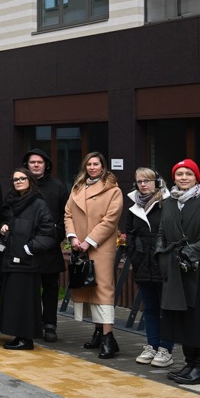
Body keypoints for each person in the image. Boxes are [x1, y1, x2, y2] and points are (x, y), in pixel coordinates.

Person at [158, 159, 200, 385]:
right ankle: (190, 363)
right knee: (183, 319)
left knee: (199, 320)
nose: (184, 178)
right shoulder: (168, 203)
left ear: (196, 177)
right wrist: (161, 256)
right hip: (175, 269)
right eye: (179, 174)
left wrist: (190, 250)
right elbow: (161, 233)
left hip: (197, 270)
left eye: (188, 173)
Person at [65, 151, 125, 359]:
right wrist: (73, 237)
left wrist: (89, 240)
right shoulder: (77, 187)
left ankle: (108, 337)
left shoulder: (113, 190)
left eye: (96, 164)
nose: (92, 167)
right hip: (79, 246)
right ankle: (98, 332)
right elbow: (68, 214)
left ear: (103, 166)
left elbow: (110, 220)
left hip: (100, 246)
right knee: (88, 288)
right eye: (89, 164)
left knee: (103, 291)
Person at [0, 169, 56, 349]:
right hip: (11, 258)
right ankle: (18, 336)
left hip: (27, 261)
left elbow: (48, 233)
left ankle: (26, 339)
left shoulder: (39, 204)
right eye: (15, 179)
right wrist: (3, 226)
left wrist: (29, 249)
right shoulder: (10, 202)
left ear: (30, 180)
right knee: (14, 300)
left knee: (26, 301)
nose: (19, 181)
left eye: (22, 178)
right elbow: (6, 220)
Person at [121, 167, 172, 368]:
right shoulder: (135, 207)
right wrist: (133, 254)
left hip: (162, 263)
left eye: (147, 181)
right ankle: (152, 345)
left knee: (165, 308)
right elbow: (129, 233)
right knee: (150, 308)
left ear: (157, 182)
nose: (143, 185)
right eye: (139, 181)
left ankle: (166, 349)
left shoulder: (167, 203)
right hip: (142, 264)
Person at [21, 148, 70, 343]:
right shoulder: (20, 184)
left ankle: (50, 325)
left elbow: (66, 214)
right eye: (32, 162)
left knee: (50, 288)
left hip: (50, 246)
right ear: (27, 165)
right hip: (26, 247)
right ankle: (31, 324)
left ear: (46, 165)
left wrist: (57, 236)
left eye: (39, 162)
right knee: (29, 289)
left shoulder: (57, 186)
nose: (36, 165)